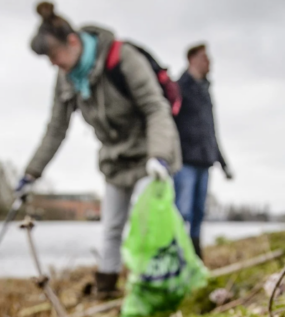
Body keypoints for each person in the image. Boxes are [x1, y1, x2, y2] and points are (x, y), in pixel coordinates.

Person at [18, 2, 181, 295]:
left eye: (54, 55)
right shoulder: (67, 79)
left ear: (73, 41)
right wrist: (31, 173)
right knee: (111, 228)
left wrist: (159, 156)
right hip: (115, 161)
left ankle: (157, 288)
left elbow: (157, 109)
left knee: (148, 224)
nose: (53, 64)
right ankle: (106, 288)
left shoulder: (122, 58)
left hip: (149, 157)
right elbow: (56, 128)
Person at [173, 43, 231, 261]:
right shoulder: (180, 88)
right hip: (185, 161)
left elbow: (211, 130)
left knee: (198, 212)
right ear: (192, 59)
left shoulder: (205, 90)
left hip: (205, 161)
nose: (210, 62)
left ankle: (196, 257)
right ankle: (177, 257)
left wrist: (223, 163)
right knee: (182, 210)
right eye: (205, 57)